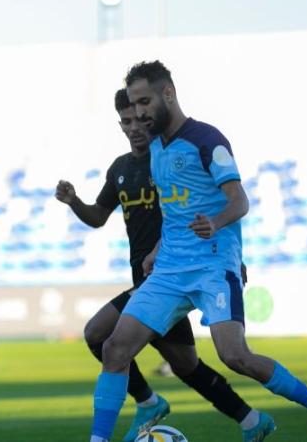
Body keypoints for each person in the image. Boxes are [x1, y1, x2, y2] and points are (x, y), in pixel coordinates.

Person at [88, 61, 307, 442]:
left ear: (168, 94)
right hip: (169, 270)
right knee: (114, 348)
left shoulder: (207, 140)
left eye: (144, 101)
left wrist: (216, 222)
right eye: (133, 104)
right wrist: (158, 248)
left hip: (213, 266)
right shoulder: (157, 149)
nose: (140, 112)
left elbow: (239, 201)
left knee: (235, 356)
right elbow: (176, 210)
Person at [57, 89, 260, 442]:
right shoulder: (120, 169)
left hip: (172, 274)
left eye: (138, 119)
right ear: (119, 123)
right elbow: (98, 217)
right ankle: (248, 419)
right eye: (126, 121)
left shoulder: (168, 161)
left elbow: (208, 201)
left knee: (106, 338)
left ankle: (153, 404)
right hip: (150, 281)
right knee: (182, 365)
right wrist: (74, 201)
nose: (134, 127)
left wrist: (233, 257)